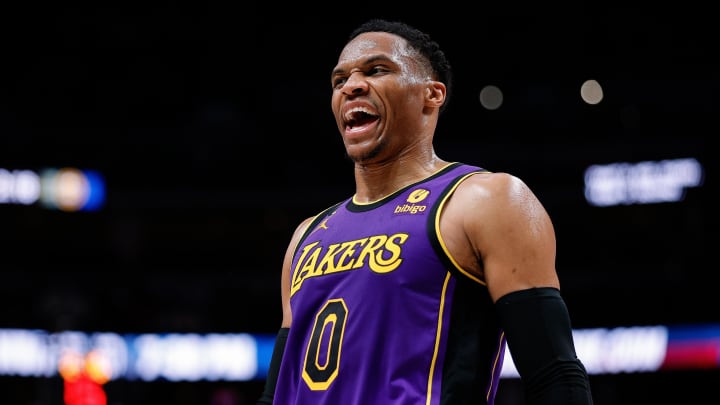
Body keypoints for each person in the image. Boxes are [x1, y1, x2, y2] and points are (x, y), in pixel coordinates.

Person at [256, 18, 593, 405]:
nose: (351, 86)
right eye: (339, 80)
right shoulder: (307, 235)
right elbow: (275, 394)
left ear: (432, 95)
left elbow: (555, 376)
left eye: (376, 70)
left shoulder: (485, 200)